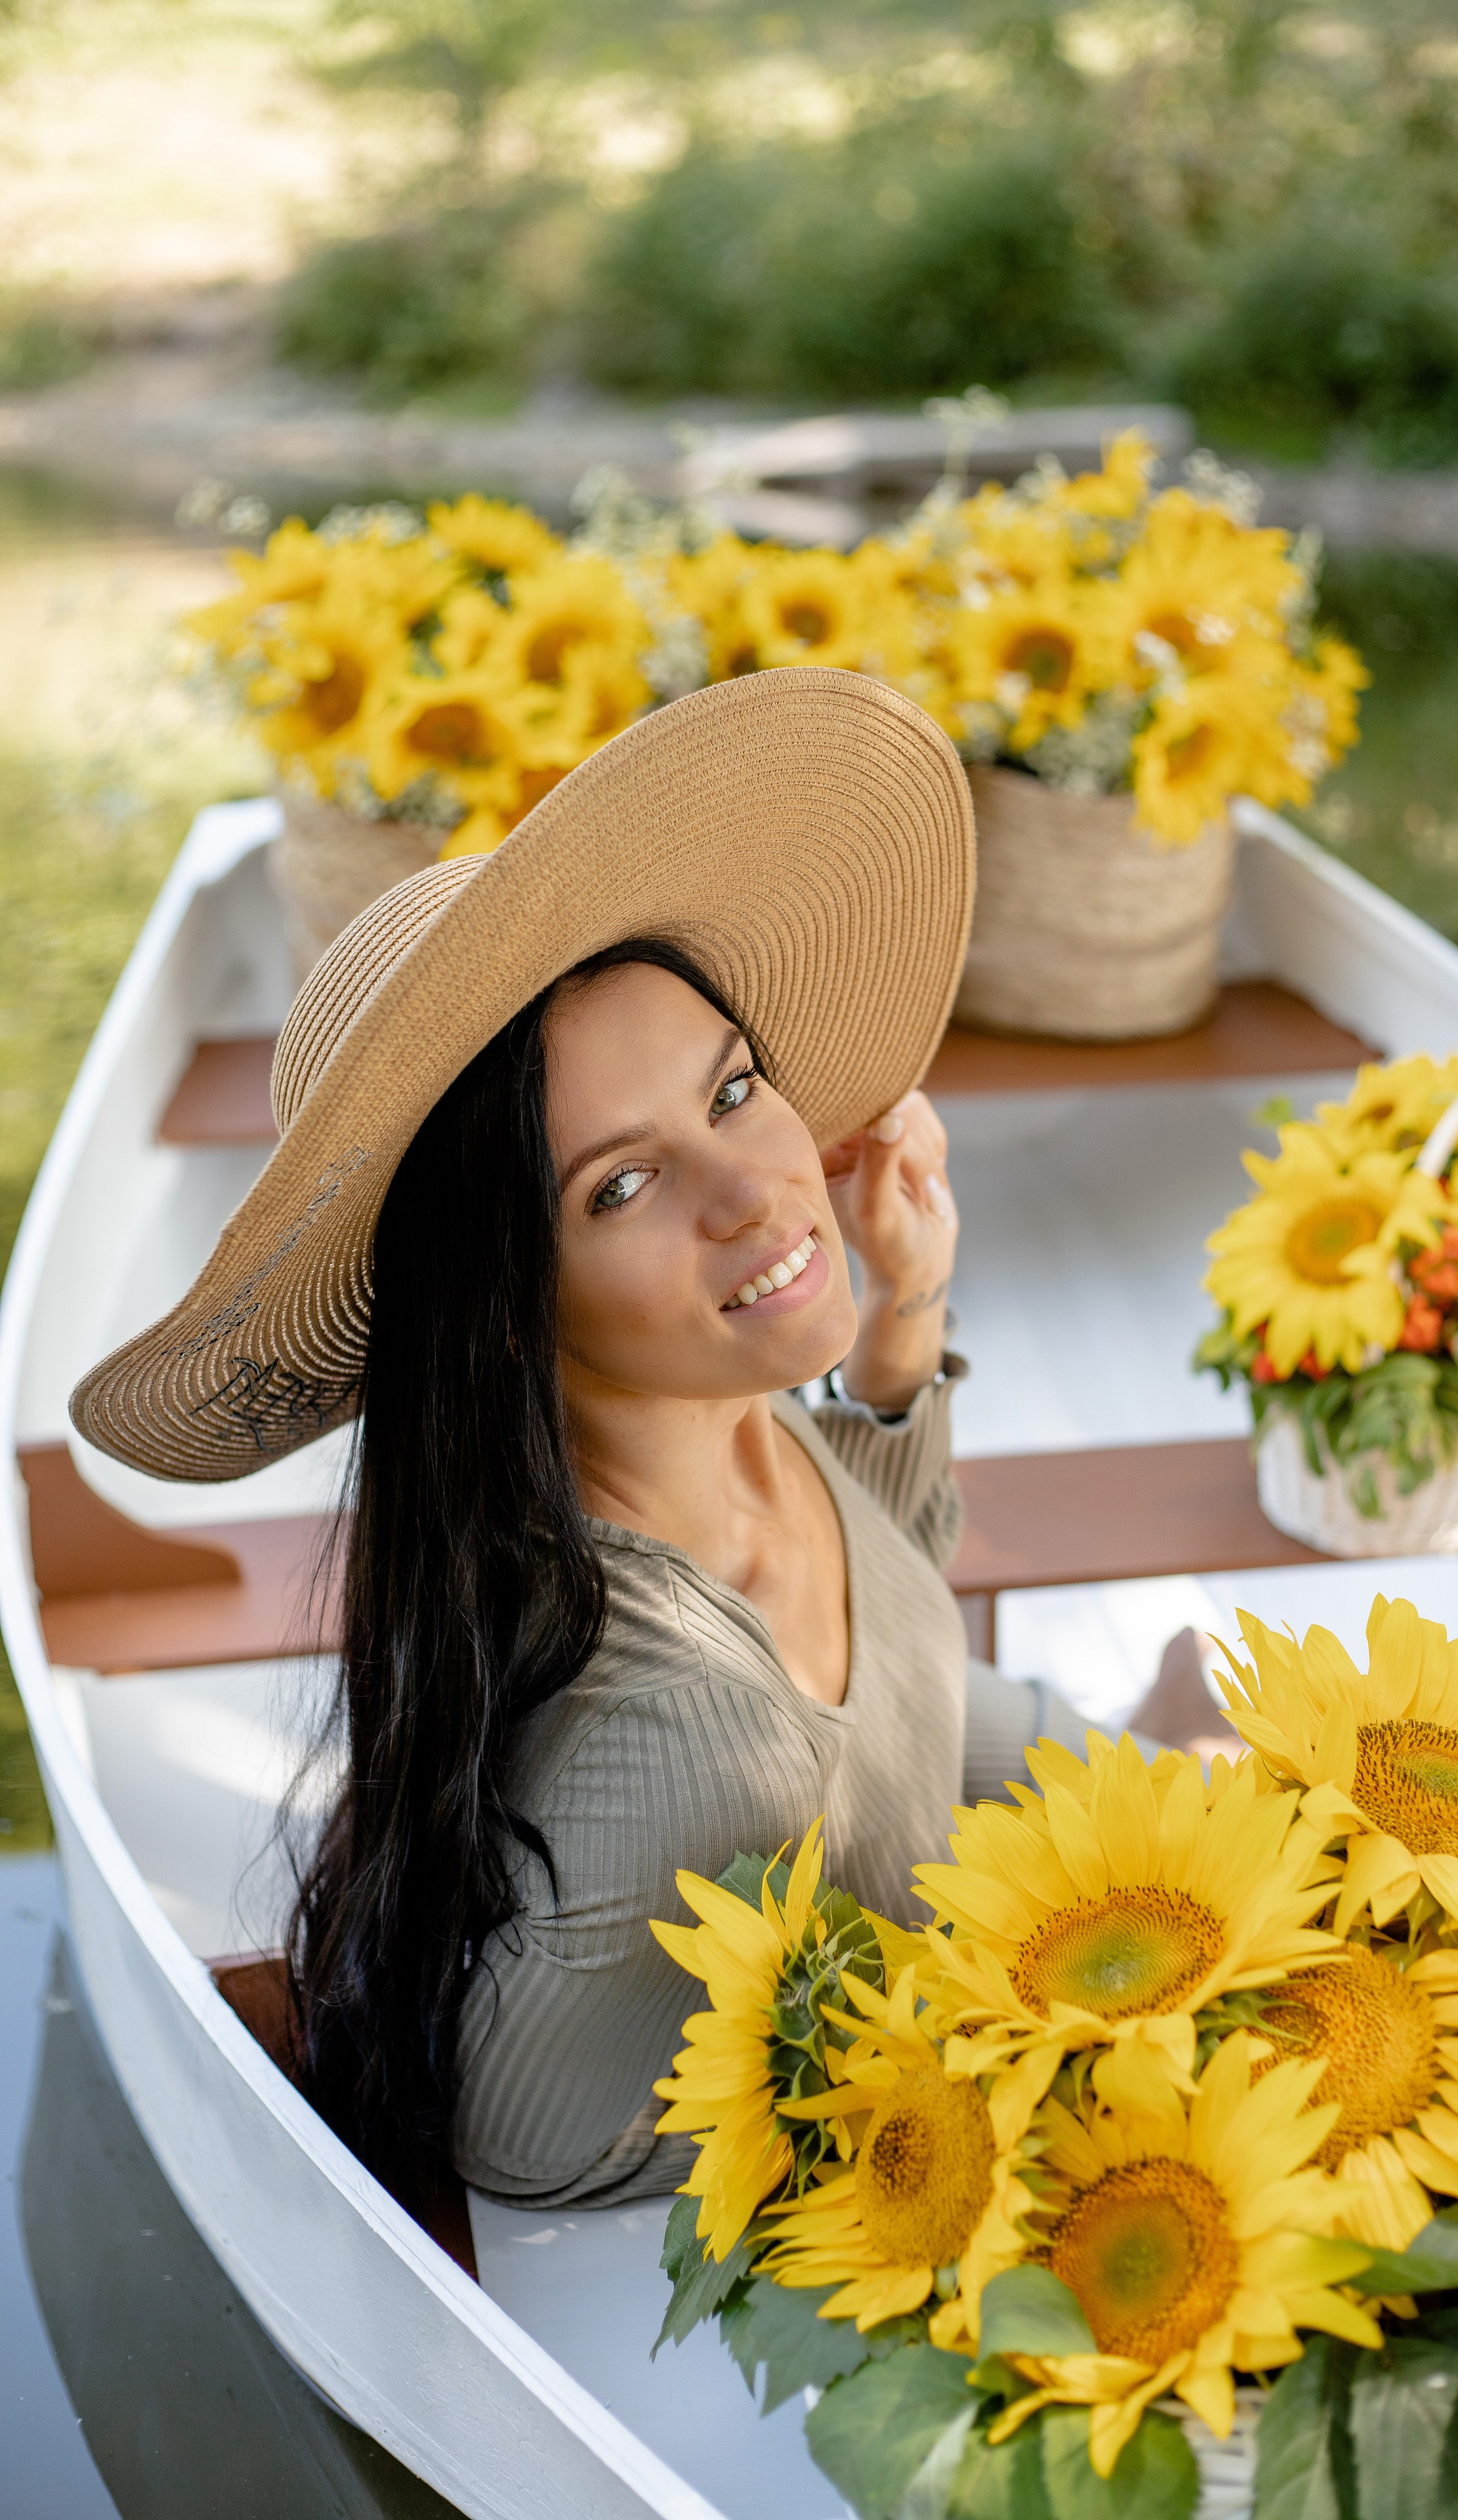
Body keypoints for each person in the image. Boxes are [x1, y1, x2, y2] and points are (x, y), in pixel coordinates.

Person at [70, 671, 1171, 2216]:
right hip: (865, 1912)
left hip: (925, 1752)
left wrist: (904, 1317)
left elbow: (887, 1585)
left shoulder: (703, 1425)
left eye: (732, 1087)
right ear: (507, 1311)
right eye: (618, 1187)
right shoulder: (694, 1751)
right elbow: (520, 2135)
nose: (754, 1190)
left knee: (1228, 1780)